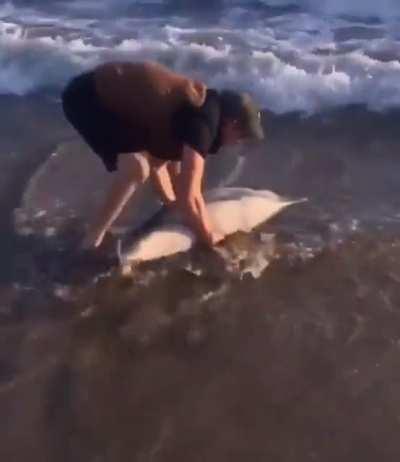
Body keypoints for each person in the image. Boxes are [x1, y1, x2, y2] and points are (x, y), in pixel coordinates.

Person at [62, 60, 264, 249]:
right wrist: (208, 236)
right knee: (135, 169)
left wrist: (172, 205)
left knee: (144, 166)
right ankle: (91, 241)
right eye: (242, 136)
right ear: (231, 123)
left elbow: (159, 164)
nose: (238, 143)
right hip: (87, 97)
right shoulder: (204, 124)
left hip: (105, 98)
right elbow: (189, 196)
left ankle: (97, 235)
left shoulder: (195, 108)